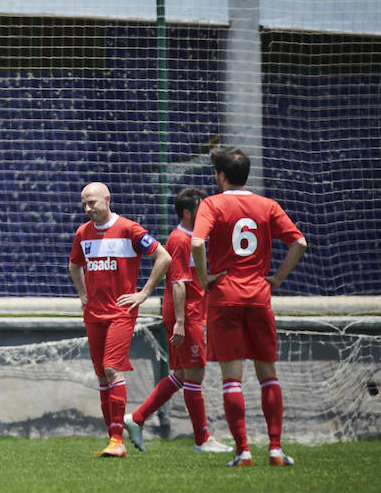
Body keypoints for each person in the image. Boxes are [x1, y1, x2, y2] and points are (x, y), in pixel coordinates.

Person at [191, 147, 307, 467]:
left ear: (222, 176)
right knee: (268, 375)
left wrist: (204, 278)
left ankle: (243, 451)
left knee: (232, 378)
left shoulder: (212, 204)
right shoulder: (267, 205)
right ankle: (274, 448)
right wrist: (277, 279)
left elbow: (197, 242)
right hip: (258, 295)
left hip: (225, 296)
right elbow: (299, 242)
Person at [123, 187, 232, 454]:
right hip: (187, 315)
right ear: (187, 212)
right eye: (201, 208)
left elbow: (190, 280)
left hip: (188, 313)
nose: (206, 213)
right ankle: (202, 440)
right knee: (195, 374)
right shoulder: (181, 240)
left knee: (182, 375)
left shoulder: (191, 238)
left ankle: (135, 418)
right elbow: (179, 284)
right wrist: (182, 322)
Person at [68, 182, 171, 458]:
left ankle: (117, 440)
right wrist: (83, 295)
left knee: (112, 369)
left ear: (107, 199)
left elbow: (164, 257)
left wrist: (144, 292)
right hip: (93, 314)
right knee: (102, 376)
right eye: (84, 204)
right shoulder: (83, 233)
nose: (88, 208)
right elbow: (74, 265)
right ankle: (113, 438)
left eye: (93, 202)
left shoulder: (129, 229)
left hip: (120, 313)